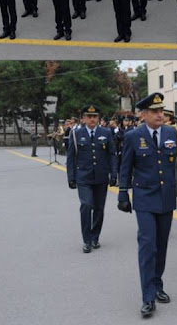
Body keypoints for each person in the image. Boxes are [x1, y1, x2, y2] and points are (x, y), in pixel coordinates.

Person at [118, 92, 177, 318]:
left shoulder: (173, 133)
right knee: (148, 245)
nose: (160, 115)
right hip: (144, 198)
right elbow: (125, 166)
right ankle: (147, 296)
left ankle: (157, 283)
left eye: (161, 111)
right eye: (154, 111)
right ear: (144, 115)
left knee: (161, 244)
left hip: (166, 197)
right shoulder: (133, 136)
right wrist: (122, 193)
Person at [66, 105, 117, 253]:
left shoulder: (106, 132)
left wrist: (114, 174)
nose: (92, 119)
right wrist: (71, 177)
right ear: (83, 119)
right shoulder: (76, 134)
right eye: (89, 116)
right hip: (83, 177)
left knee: (99, 209)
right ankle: (87, 240)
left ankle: (95, 237)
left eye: (95, 116)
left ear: (98, 118)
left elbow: (112, 154)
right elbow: (71, 157)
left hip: (101, 176)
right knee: (87, 205)